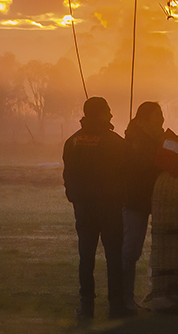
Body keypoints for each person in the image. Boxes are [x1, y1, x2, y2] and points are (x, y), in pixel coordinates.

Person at [63, 96, 131, 320]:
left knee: (86, 256)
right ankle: (116, 306)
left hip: (83, 208)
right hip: (110, 207)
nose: (111, 115)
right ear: (100, 113)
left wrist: (75, 197)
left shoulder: (72, 141)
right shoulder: (115, 142)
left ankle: (86, 306)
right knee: (113, 256)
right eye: (108, 110)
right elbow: (126, 171)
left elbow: (69, 175)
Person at [122, 101, 165, 309]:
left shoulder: (147, 139)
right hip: (135, 202)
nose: (162, 119)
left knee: (135, 250)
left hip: (146, 201)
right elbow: (151, 166)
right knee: (131, 250)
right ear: (144, 119)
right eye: (158, 115)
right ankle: (124, 297)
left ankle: (127, 296)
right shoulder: (137, 142)